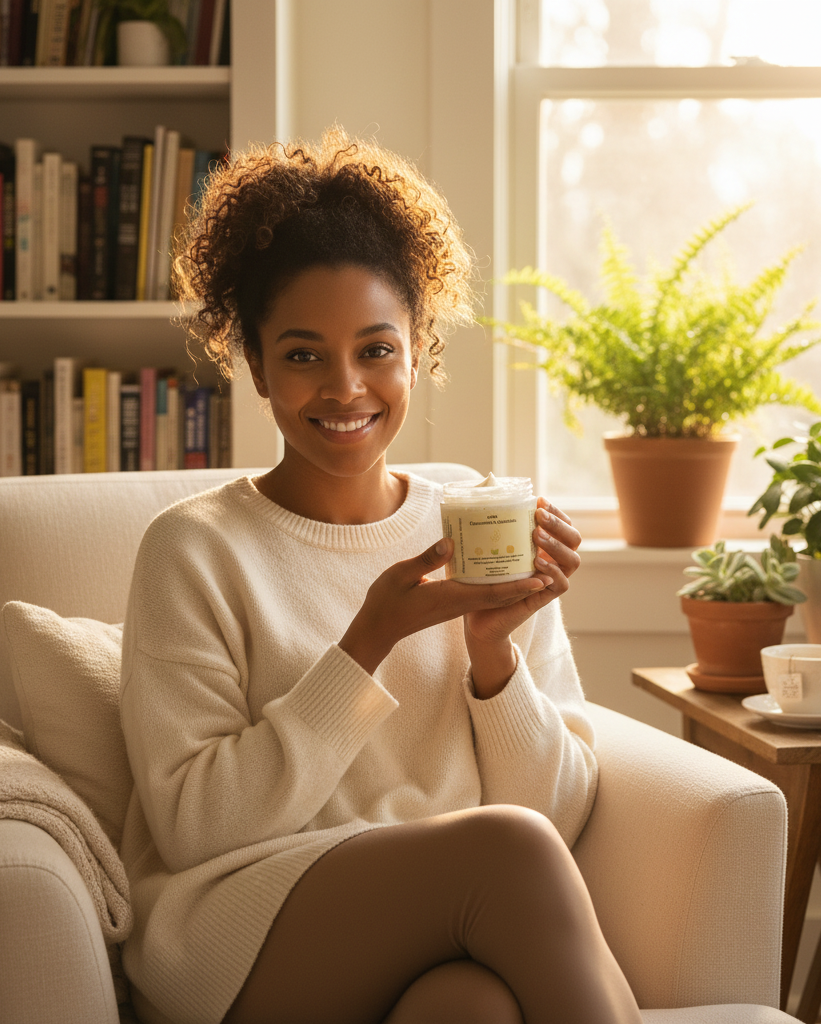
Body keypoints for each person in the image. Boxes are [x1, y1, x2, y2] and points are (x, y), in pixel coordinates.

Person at [118, 127, 643, 1024]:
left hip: (442, 924)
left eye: (374, 349)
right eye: (301, 354)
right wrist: (370, 640)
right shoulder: (194, 551)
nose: (345, 388)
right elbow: (195, 826)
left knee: (471, 1008)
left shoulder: (481, 526)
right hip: (242, 929)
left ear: (418, 351)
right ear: (254, 365)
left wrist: (493, 656)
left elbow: (553, 814)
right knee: (505, 853)